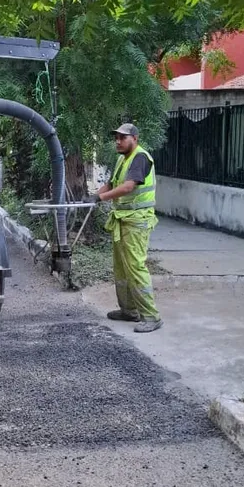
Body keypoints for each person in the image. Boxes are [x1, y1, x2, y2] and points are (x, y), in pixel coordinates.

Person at [96, 123, 162, 333]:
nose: (118, 141)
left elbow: (128, 187)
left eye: (122, 138)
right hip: (123, 219)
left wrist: (101, 197)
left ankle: (151, 316)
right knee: (121, 268)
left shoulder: (140, 158)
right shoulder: (122, 159)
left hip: (137, 220)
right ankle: (129, 310)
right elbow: (112, 184)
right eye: (116, 137)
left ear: (135, 138)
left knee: (135, 266)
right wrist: (93, 196)